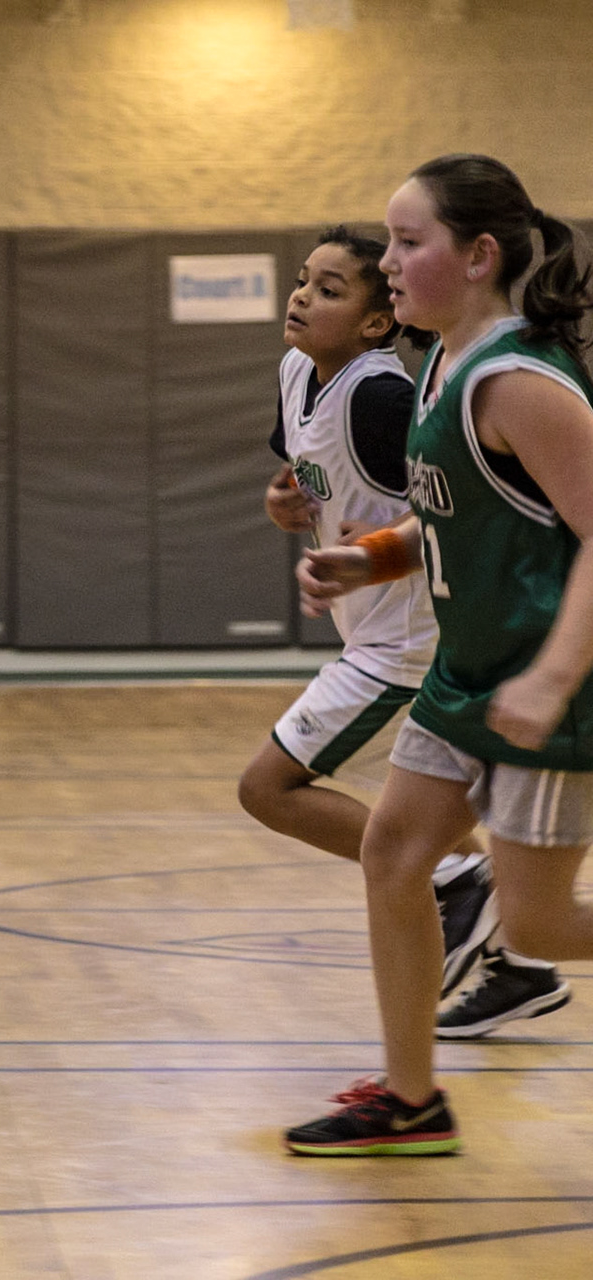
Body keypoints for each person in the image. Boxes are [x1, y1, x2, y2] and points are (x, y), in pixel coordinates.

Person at [286, 154, 593, 1156]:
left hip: (555, 684)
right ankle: (412, 1097)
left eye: (408, 242)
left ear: (478, 256)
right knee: (394, 851)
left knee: (541, 928)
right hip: (469, 671)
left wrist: (552, 675)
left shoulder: (518, 379)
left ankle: (417, 1089)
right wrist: (367, 556)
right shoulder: (440, 365)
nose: (390, 260)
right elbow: (454, 517)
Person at [239, 227, 566, 1040]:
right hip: (372, 628)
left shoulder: (386, 396)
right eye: (302, 280)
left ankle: (458, 878)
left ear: (379, 322)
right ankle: (519, 972)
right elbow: (305, 475)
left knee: (267, 788)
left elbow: (454, 508)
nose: (302, 296)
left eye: (329, 288)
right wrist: (287, 503)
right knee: (457, 845)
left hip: (409, 641)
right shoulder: (297, 371)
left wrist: (371, 553)